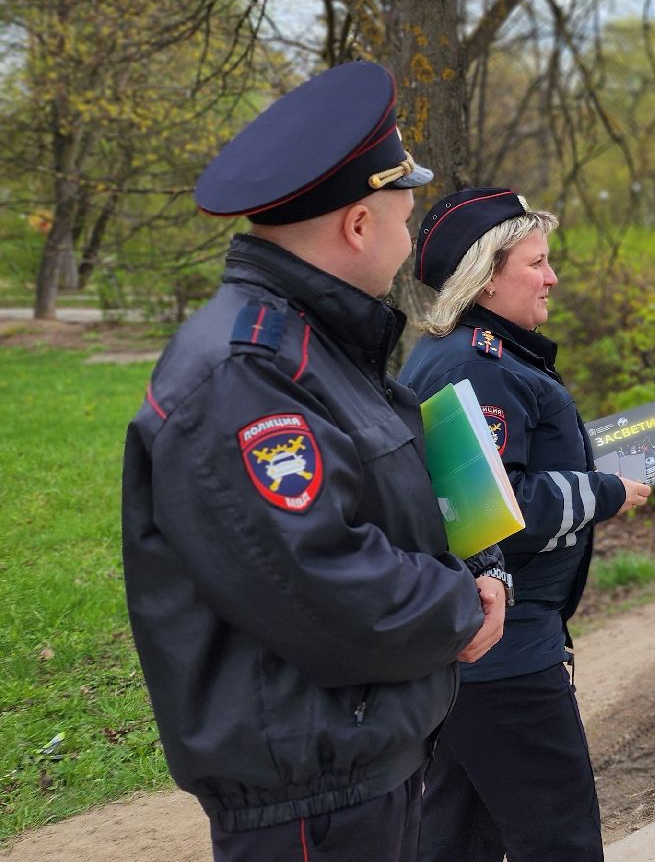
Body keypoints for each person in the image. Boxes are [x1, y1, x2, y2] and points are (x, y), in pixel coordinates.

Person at [122, 61, 508, 862]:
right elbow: (321, 583)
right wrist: (460, 611)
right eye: (403, 219)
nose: (408, 243)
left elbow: (393, 499)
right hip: (313, 797)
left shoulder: (316, 345)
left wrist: (485, 568)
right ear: (359, 226)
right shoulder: (245, 374)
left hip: (360, 758)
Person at [400, 188, 651, 862]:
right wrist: (606, 490)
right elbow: (495, 512)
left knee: (452, 837)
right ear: (486, 278)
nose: (552, 277)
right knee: (558, 838)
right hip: (506, 654)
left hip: (472, 648)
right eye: (537, 263)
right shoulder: (479, 368)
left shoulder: (463, 353)